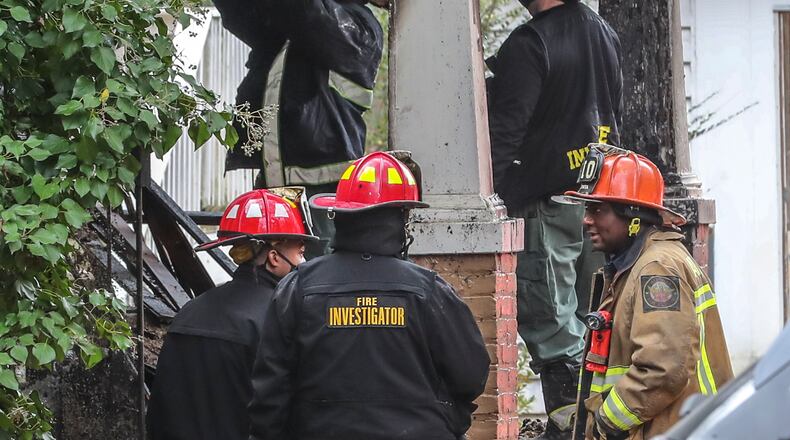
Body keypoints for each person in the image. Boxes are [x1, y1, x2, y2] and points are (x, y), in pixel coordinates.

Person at [247, 152, 490, 440]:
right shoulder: (429, 290)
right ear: (401, 217)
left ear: (338, 215)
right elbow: (470, 375)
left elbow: (270, 390)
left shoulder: (297, 288)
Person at [486, 0, 623, 436]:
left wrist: (493, 201)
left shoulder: (530, 43)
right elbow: (613, 114)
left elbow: (506, 131)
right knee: (590, 325)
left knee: (555, 332)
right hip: (594, 200)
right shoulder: (603, 33)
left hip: (545, 207)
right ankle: (594, 427)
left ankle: (571, 429)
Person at [563, 146, 733, 439]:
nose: (586, 220)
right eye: (586, 209)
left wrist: (606, 421)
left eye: (598, 210)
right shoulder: (633, 266)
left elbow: (663, 368)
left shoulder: (657, 268)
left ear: (634, 216)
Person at [212, 0, 386, 258]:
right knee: (270, 278)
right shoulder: (288, 27)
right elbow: (241, 11)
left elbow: (307, 13)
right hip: (274, 182)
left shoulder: (360, 27)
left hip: (324, 193)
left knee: (317, 279)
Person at [146, 188, 317, 440]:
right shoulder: (282, 318)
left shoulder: (190, 312)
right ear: (274, 257)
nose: (303, 263)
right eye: (300, 253)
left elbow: (161, 412)